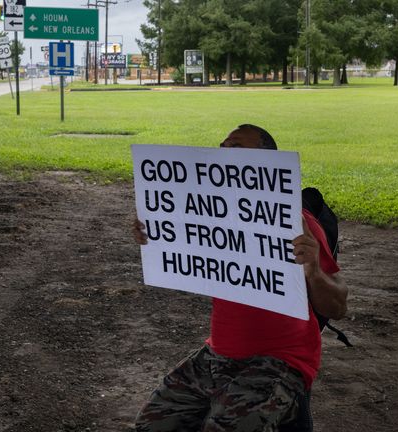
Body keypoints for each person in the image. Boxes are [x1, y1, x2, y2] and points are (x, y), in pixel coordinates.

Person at [132, 124, 348, 432]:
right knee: (151, 424)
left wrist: (313, 269)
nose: (223, 153)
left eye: (235, 148)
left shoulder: (296, 220)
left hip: (282, 360)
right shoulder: (208, 211)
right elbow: (185, 250)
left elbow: (338, 305)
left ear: (266, 164)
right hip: (217, 352)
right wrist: (157, 230)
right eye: (222, 146)